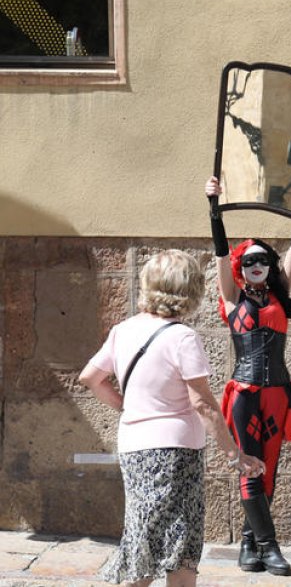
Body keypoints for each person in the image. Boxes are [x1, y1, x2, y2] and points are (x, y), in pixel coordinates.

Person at [80, 250, 265, 587]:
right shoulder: (182, 338)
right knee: (179, 545)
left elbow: (90, 378)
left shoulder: (124, 330)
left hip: (134, 448)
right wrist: (234, 455)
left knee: (144, 538)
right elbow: (204, 405)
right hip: (175, 453)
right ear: (190, 290)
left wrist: (127, 405)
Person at [205, 174, 291, 575]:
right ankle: (270, 548)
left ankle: (249, 545)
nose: (257, 265)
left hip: (278, 394)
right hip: (246, 393)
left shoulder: (279, 293)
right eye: (249, 260)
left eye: (263, 260)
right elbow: (221, 254)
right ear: (242, 267)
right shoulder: (232, 297)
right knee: (249, 466)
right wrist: (214, 210)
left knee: (270, 470)